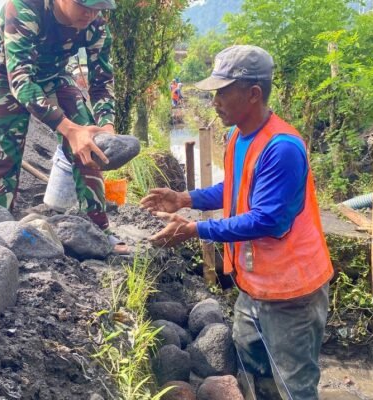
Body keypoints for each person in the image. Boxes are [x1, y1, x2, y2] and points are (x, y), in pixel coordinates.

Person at [140, 45, 334, 400]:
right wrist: (185, 199)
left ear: (253, 93)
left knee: (295, 385)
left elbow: (266, 219)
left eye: (222, 92)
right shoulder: (237, 137)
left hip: (291, 293)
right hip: (254, 285)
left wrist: (195, 229)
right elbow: (233, 188)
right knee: (252, 365)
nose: (214, 102)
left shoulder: (282, 148)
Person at [0, 0, 121, 241]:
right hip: (9, 79)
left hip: (55, 76)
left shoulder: (95, 23)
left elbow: (102, 82)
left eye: (98, 7)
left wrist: (106, 127)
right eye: (83, 5)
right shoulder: (25, 7)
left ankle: (99, 234)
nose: (90, 13)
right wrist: (69, 129)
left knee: (90, 145)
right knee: (1, 159)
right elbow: (21, 81)